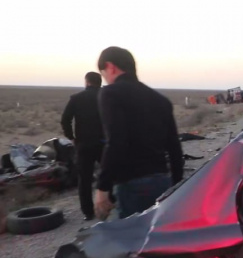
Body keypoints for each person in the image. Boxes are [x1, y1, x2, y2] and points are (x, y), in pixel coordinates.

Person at [93, 46, 184, 220]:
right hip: (162, 182)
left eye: (103, 74)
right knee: (161, 233)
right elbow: (174, 147)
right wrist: (177, 186)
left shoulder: (110, 94)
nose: (105, 80)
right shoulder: (161, 100)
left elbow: (116, 142)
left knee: (134, 235)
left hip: (132, 185)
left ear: (110, 67)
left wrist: (103, 188)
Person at [60, 72, 105, 221]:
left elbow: (65, 119)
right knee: (109, 173)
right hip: (104, 143)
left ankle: (88, 212)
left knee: (84, 179)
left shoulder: (76, 98)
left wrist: (71, 137)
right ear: (99, 82)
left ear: (87, 82)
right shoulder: (106, 97)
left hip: (84, 144)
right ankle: (110, 203)